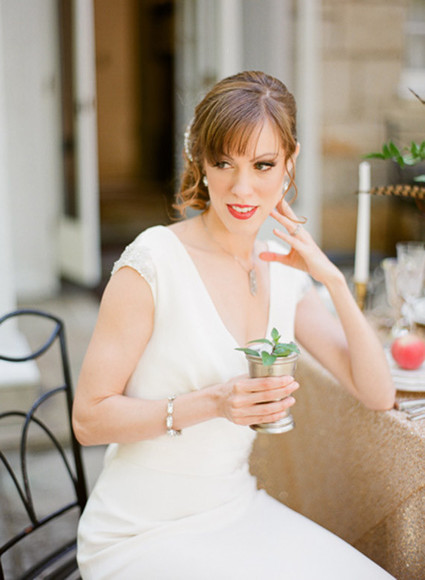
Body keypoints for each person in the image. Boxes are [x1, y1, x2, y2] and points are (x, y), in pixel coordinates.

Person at [73, 71, 395, 579]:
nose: (242, 188)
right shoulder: (153, 260)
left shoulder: (284, 273)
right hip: (139, 531)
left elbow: (378, 394)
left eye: (263, 165)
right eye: (224, 163)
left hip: (236, 510)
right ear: (201, 163)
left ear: (289, 164)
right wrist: (215, 403)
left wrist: (332, 280)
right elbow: (88, 420)